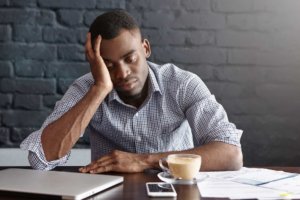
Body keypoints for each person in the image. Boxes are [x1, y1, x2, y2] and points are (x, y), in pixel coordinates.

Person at [21, 9, 243, 173]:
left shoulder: (182, 84)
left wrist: (143, 160)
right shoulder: (87, 89)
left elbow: (231, 155)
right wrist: (100, 89)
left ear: (145, 48)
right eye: (109, 64)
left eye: (130, 58)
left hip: (176, 191)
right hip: (109, 192)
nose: (122, 72)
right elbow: (40, 160)